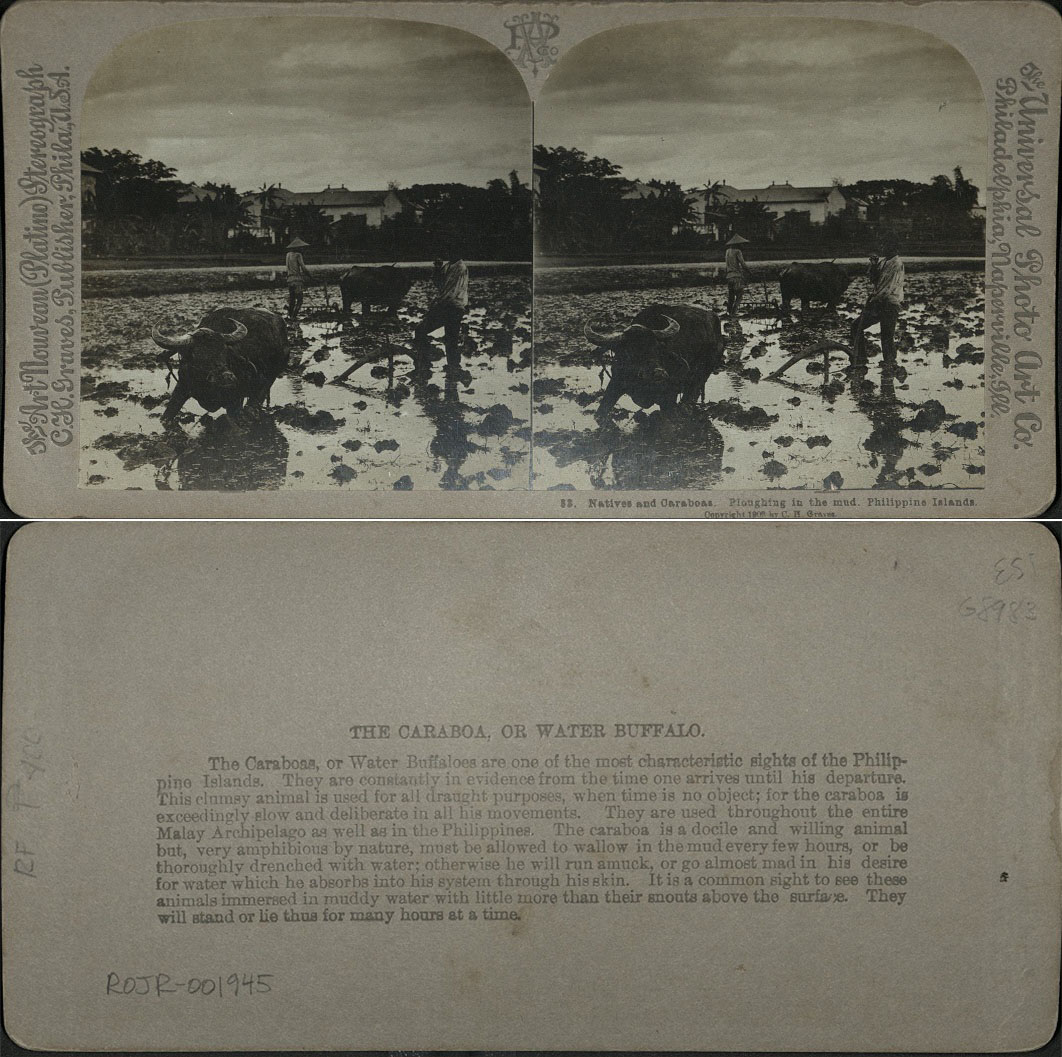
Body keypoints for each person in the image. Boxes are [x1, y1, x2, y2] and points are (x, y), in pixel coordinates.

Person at [850, 234, 904, 367]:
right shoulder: (884, 262)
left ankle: (890, 363)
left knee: (887, 335)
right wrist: (874, 266)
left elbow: (887, 287)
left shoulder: (897, 264)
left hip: (889, 303)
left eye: (885, 245)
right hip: (879, 301)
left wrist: (873, 299)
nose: (882, 248)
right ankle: (860, 357)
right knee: (856, 326)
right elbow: (874, 280)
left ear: (893, 247)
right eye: (882, 245)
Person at [414, 252, 469, 371]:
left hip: (453, 307)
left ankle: (451, 369)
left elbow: (449, 291)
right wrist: (437, 269)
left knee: (450, 340)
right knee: (448, 339)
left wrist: (435, 306)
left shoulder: (460, 267)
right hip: (449, 306)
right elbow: (440, 285)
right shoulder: (448, 266)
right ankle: (425, 361)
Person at [724, 233, 751, 319]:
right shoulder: (738, 251)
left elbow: (727, 265)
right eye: (741, 244)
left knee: (731, 296)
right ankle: (734, 312)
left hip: (729, 276)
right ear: (737, 244)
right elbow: (743, 264)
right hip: (736, 277)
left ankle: (729, 312)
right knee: (739, 295)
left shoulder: (727, 251)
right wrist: (749, 271)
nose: (742, 245)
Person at [285, 238, 312, 321]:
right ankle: (294, 316)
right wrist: (310, 276)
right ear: (297, 247)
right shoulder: (298, 255)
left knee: (292, 300)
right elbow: (303, 268)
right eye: (301, 247)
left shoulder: (288, 255)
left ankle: (290, 316)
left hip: (289, 280)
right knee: (300, 300)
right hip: (297, 280)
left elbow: (287, 268)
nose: (302, 249)